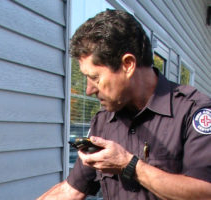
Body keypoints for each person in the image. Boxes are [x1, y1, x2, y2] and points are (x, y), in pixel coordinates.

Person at [37, 9, 211, 200]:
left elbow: (204, 193)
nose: (88, 90)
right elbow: (72, 190)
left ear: (128, 64)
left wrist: (129, 165)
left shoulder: (193, 111)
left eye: (94, 78)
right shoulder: (104, 121)